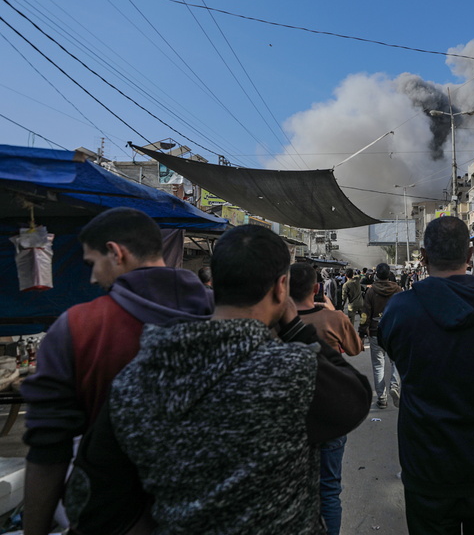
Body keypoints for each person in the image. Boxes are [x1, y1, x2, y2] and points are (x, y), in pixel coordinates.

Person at [107, 225, 371, 533]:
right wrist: (297, 329)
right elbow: (355, 398)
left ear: (214, 282)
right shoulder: (291, 370)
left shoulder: (137, 374)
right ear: (281, 287)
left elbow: (96, 496)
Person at [21, 207, 215, 535]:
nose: (94, 277)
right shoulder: (226, 316)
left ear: (116, 253)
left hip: (113, 517)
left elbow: (48, 448)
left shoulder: (78, 327)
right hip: (217, 513)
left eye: (92, 263)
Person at [379, 217, 474, 534]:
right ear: (468, 257)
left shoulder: (400, 309)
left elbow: (393, 353)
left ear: (422, 257)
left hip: (426, 466)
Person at [289, 262, 364, 535]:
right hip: (330, 411)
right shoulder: (334, 320)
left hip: (290, 416)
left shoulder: (275, 322)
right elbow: (355, 349)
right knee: (329, 489)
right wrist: (333, 312)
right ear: (317, 288)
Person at [359, 263, 403, 409]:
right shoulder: (398, 290)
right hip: (395, 332)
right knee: (396, 361)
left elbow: (365, 314)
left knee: (378, 366)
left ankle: (382, 399)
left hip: (376, 333)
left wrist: (361, 331)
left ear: (376, 275)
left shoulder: (371, 292)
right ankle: (394, 385)